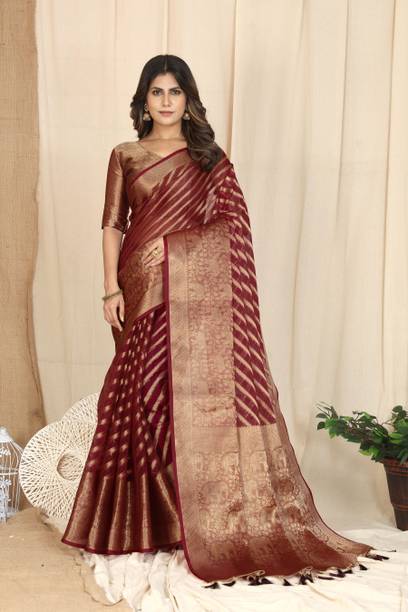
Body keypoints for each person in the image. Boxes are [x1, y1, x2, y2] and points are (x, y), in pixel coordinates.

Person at [61, 54, 388, 586]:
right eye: (156, 92)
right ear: (143, 100)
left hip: (192, 298)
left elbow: (232, 225)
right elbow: (112, 225)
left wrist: (178, 252)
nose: (166, 101)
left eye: (175, 91)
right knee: (137, 397)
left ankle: (186, 523)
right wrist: (110, 287)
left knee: (178, 399)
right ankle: (145, 522)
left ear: (188, 99)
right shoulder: (125, 155)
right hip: (139, 288)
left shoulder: (208, 158)